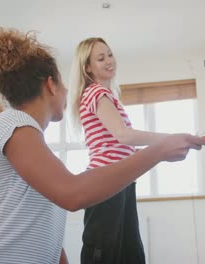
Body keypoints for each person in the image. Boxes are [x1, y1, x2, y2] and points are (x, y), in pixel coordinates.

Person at [0, 28, 205, 264]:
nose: (70, 93)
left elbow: (41, 231)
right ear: (51, 86)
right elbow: (73, 194)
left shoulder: (34, 149)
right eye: (63, 84)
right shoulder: (12, 124)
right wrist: (159, 150)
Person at [68, 37, 197, 264]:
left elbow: (122, 147)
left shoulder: (108, 96)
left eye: (109, 54)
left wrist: (165, 148)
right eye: (100, 58)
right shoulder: (96, 92)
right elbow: (124, 136)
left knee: (130, 255)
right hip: (106, 181)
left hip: (120, 182)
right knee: (105, 254)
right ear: (87, 67)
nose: (109, 60)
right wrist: (168, 140)